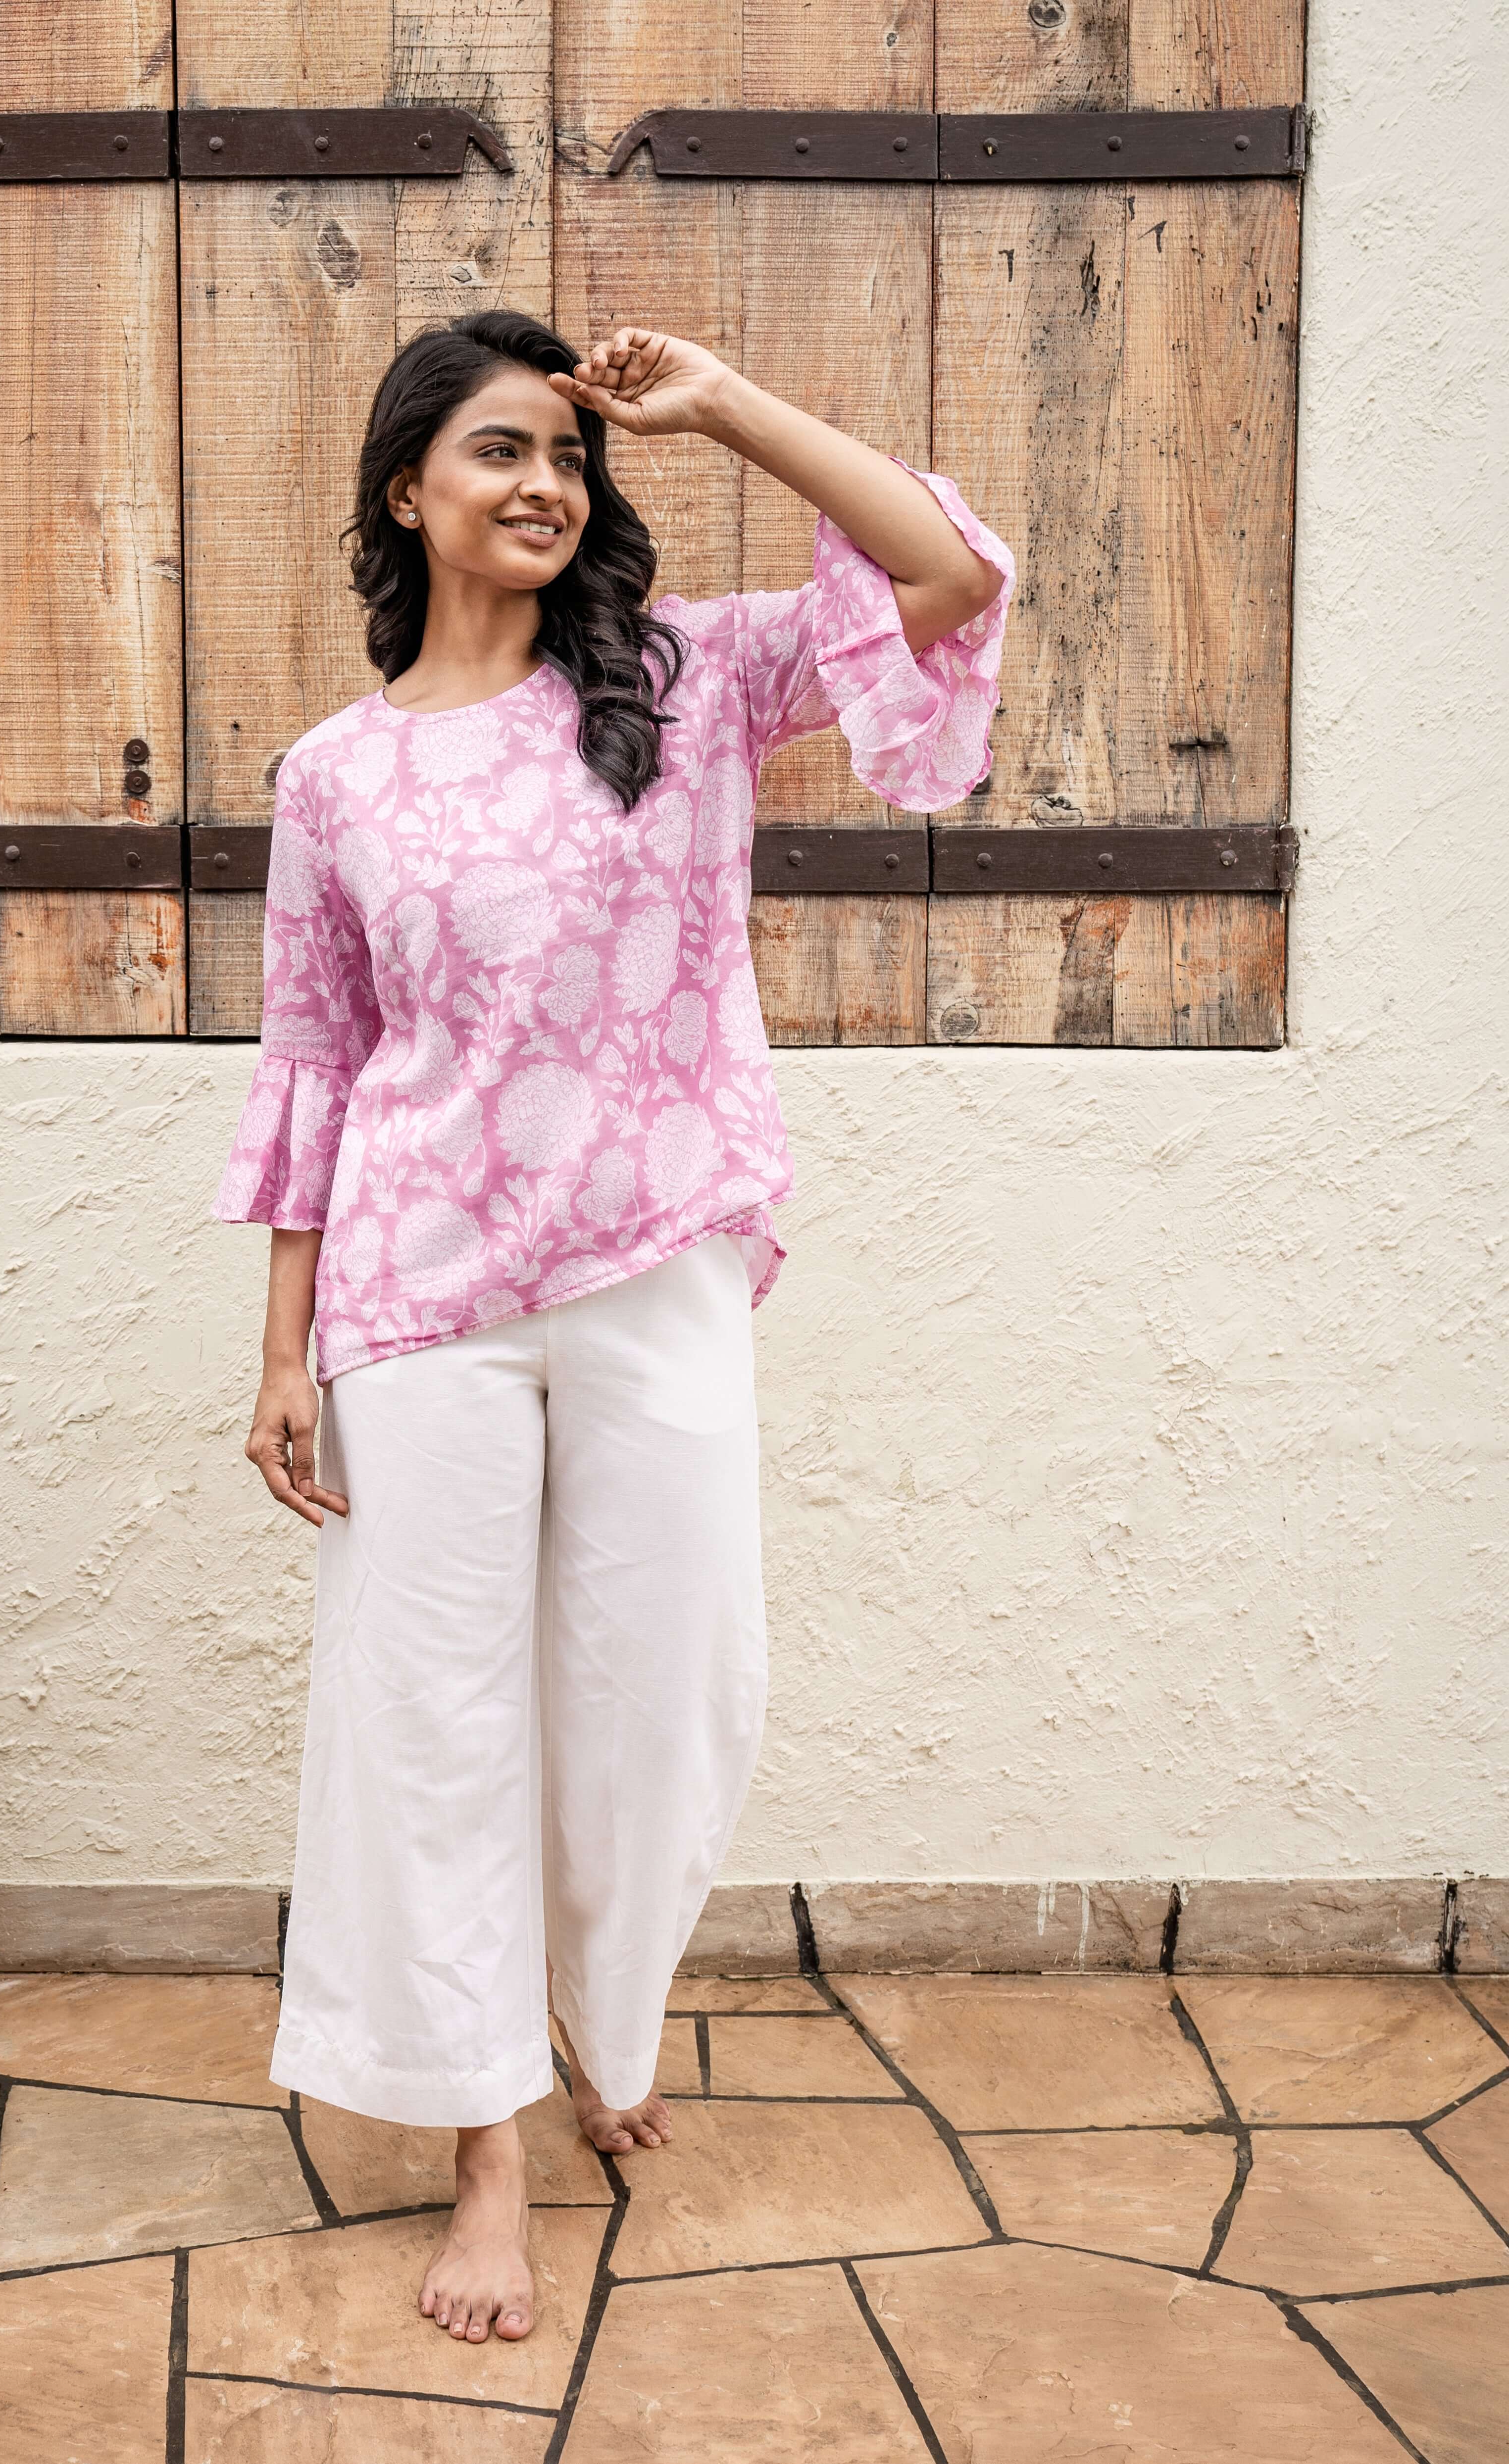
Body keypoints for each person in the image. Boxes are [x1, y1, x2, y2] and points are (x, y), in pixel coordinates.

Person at [213, 310, 1014, 2345]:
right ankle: (489, 2147)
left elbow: (945, 578)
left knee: (669, 1690)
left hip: (653, 1259)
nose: (543, 486)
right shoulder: (337, 775)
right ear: (410, 490)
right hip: (417, 1302)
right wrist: (281, 1343)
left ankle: (604, 2019)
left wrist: (731, 402)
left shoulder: (680, 683)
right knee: (441, 1719)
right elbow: (315, 1065)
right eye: (496, 451)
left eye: (568, 458)